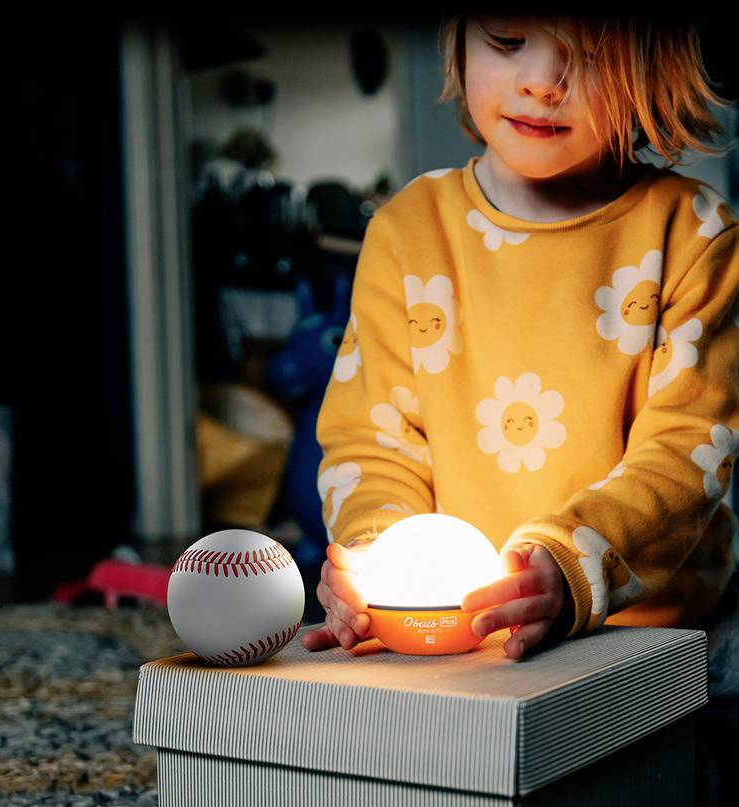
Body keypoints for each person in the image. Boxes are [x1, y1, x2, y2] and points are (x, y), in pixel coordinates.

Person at [301, 11, 739, 800]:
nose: (541, 79)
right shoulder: (408, 230)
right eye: (506, 41)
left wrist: (571, 566)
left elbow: (684, 456)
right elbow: (373, 440)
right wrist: (372, 562)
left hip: (665, 643)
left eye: (592, 56)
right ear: (459, 40)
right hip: (468, 646)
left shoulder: (697, 233)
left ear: (657, 65)